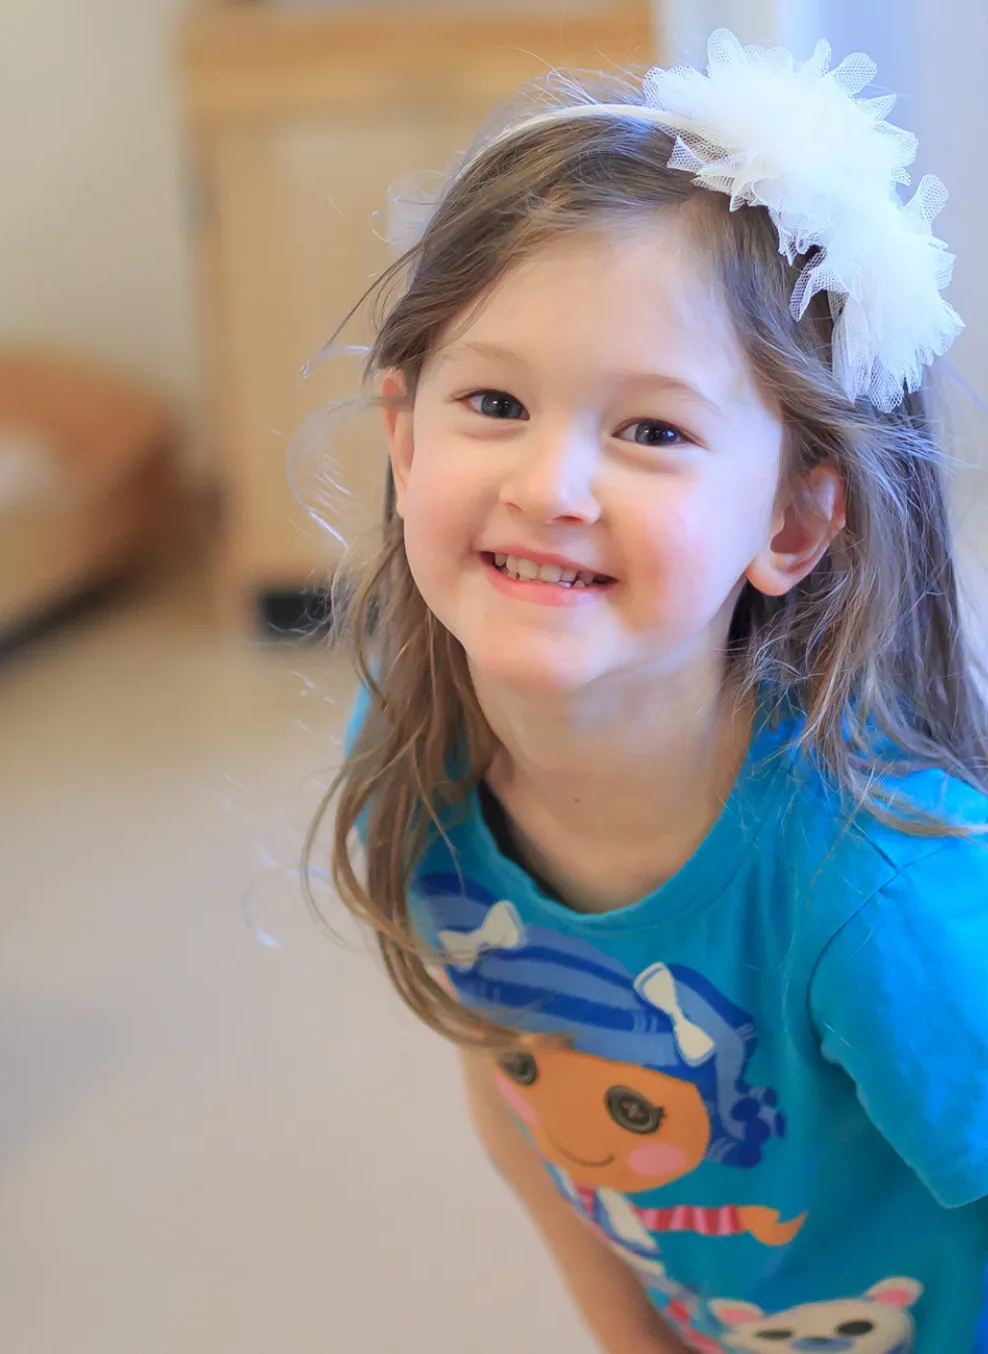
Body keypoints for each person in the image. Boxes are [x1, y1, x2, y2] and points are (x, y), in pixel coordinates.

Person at [313, 29, 988, 1354]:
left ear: (794, 523)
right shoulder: (411, 753)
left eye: (653, 431)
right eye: (495, 400)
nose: (552, 485)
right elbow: (518, 1099)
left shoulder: (883, 903)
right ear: (402, 437)